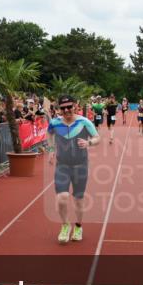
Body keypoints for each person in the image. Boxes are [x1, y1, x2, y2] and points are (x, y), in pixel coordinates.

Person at [46, 95, 100, 244]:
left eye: (69, 107)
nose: (66, 110)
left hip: (80, 166)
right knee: (62, 197)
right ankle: (65, 225)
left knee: (78, 199)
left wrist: (89, 143)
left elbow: (97, 137)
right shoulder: (55, 123)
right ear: (59, 109)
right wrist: (51, 149)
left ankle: (78, 226)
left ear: (75, 106)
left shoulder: (84, 122)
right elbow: (49, 133)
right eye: (63, 108)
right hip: (62, 166)